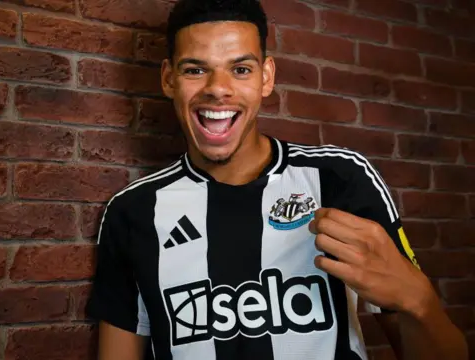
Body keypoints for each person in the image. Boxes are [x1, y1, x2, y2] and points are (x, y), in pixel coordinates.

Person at [85, 0, 468, 359]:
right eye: (195, 69)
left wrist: (418, 300)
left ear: (266, 78)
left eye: (240, 69)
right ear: (169, 79)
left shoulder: (339, 179)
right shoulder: (132, 212)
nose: (218, 88)